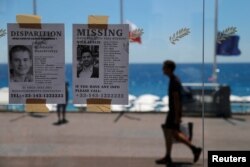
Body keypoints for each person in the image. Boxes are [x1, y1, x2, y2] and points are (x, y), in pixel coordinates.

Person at [156, 60, 202, 165]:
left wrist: (177, 116)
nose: (162, 69)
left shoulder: (174, 81)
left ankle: (170, 156)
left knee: (169, 132)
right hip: (173, 111)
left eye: (164, 67)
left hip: (173, 112)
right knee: (174, 134)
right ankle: (194, 150)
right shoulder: (174, 80)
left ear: (169, 68)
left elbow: (177, 99)